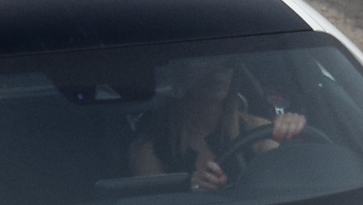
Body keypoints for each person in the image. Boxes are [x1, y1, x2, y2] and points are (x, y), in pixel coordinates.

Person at [128, 58, 306, 191]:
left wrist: (291, 133)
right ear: (179, 75)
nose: (218, 71)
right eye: (204, 62)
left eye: (227, 63)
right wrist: (190, 194)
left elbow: (289, 179)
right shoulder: (149, 148)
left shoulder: (255, 128)